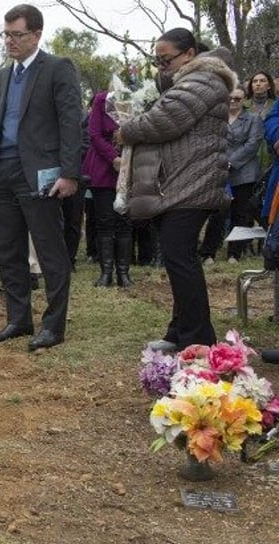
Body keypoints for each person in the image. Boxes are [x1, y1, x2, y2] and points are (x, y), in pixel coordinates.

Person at [119, 32, 236, 351]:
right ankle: (179, 331)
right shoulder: (189, 80)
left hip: (192, 185)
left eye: (165, 59)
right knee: (178, 260)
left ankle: (198, 340)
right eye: (156, 60)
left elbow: (164, 121)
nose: (160, 66)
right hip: (180, 183)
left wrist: (126, 129)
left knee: (180, 259)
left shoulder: (204, 80)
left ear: (189, 54)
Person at [0, 4, 83, 351]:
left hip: (40, 174)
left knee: (49, 251)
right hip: (0, 174)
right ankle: (18, 319)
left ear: (37, 34)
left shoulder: (57, 68)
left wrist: (70, 173)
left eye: (17, 34)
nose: (9, 41)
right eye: (6, 34)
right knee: (8, 251)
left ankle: (53, 326)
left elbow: (71, 123)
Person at [83, 89, 132, 287]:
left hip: (129, 167)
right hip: (104, 168)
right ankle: (106, 272)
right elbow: (94, 134)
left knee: (124, 221)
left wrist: (127, 157)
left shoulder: (137, 99)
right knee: (104, 221)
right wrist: (114, 157)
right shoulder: (102, 99)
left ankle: (124, 273)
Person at [224, 85, 264, 262]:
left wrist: (231, 162)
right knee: (218, 214)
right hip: (219, 171)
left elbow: (252, 144)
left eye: (237, 99)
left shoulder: (252, 119)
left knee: (241, 213)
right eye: (230, 98)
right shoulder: (218, 119)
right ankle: (208, 252)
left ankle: (234, 252)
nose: (233, 101)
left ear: (244, 100)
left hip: (244, 172)